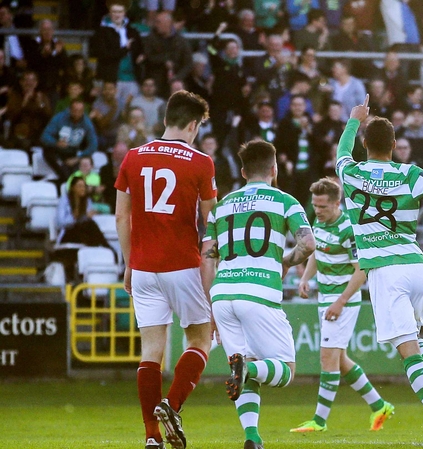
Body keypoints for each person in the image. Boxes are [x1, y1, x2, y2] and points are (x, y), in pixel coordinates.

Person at [336, 95, 423, 444]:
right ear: (395, 146)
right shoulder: (410, 173)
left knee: (405, 349)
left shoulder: (350, 172)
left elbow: (341, 153)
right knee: (414, 337)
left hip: (385, 272)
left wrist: (354, 118)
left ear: (365, 143)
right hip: (417, 267)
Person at [114, 91, 217, 449]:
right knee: (201, 340)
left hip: (142, 267)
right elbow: (211, 223)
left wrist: (129, 262)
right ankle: (171, 406)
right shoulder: (201, 162)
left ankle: (151, 437)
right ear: (192, 125)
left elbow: (121, 216)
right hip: (183, 265)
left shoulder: (132, 156)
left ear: (165, 120)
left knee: (151, 351)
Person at [199, 139, 314, 449]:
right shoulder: (285, 201)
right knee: (284, 370)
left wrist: (211, 307)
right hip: (259, 293)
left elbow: (207, 256)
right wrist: (285, 261)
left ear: (242, 171)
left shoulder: (221, 207)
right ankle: (246, 369)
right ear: (274, 170)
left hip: (223, 294)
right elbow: (308, 244)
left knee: (245, 364)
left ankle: (252, 438)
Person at [290, 178, 395, 432]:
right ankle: (380, 406)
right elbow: (316, 253)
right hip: (326, 297)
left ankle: (319, 421)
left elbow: (362, 271)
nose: (318, 211)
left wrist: (341, 301)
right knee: (340, 359)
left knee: (327, 357)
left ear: (337, 203)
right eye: (315, 205)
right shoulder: (318, 221)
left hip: (343, 299)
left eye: (323, 206)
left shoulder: (351, 229)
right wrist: (305, 277)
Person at [40, 99, 98, 183]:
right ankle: (65, 181)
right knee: (48, 153)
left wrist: (78, 158)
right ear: (70, 110)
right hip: (57, 150)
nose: (77, 113)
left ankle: (69, 182)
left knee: (85, 162)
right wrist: (56, 143)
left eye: (80, 111)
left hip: (74, 152)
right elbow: (44, 136)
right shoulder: (59, 118)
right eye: (75, 110)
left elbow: (93, 145)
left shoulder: (87, 123)